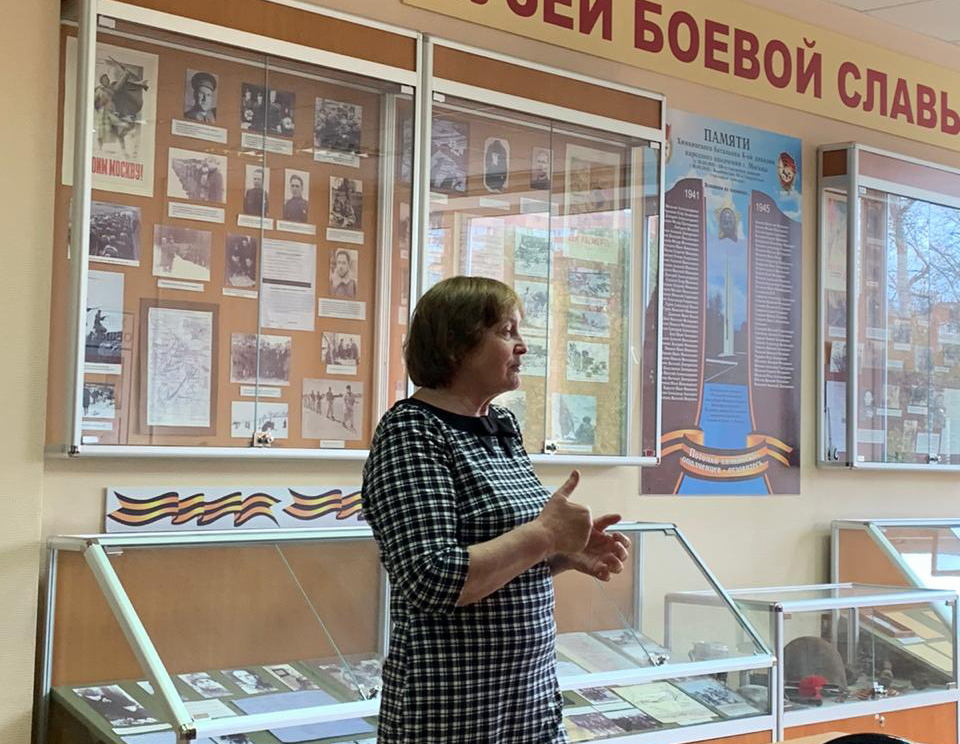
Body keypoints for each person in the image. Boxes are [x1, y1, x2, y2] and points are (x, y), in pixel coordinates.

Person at [361, 275, 630, 744]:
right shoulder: (412, 432)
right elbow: (432, 579)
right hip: (451, 717)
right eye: (507, 331)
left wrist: (564, 555)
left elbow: (504, 555)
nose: (522, 346)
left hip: (528, 705)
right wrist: (545, 536)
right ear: (455, 346)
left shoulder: (500, 424)